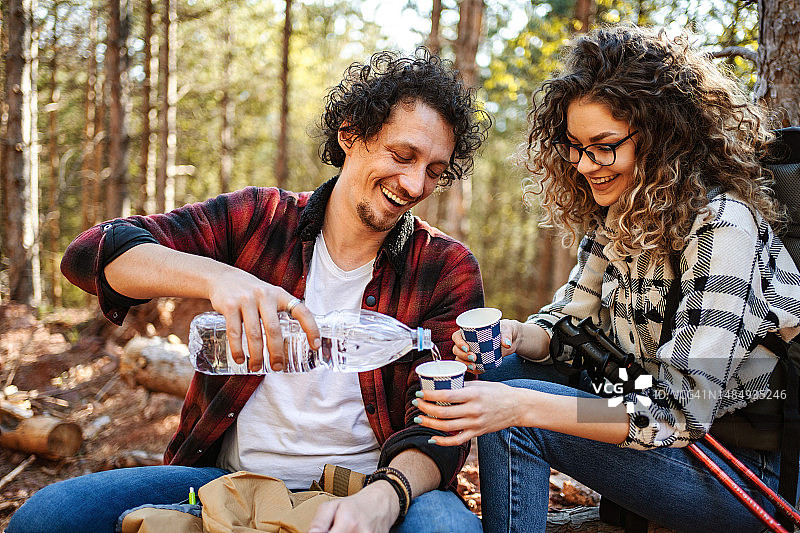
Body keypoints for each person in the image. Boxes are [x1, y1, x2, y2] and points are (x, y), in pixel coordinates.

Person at [8, 49, 490, 533]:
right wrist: (217, 277)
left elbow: (441, 426)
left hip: (372, 491)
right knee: (47, 518)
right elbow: (90, 254)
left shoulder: (445, 268)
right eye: (402, 156)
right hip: (230, 483)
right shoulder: (260, 219)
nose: (414, 184)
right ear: (350, 134)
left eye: (434, 171)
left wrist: (384, 499)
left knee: (448, 530)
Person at [413, 25, 800, 533]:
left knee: (516, 418)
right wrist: (516, 335)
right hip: (653, 423)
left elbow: (676, 413)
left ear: (662, 138)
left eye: (603, 146)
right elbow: (566, 327)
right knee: (501, 373)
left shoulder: (722, 228)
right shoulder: (619, 220)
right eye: (575, 146)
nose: (583, 165)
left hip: (740, 477)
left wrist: (522, 407)